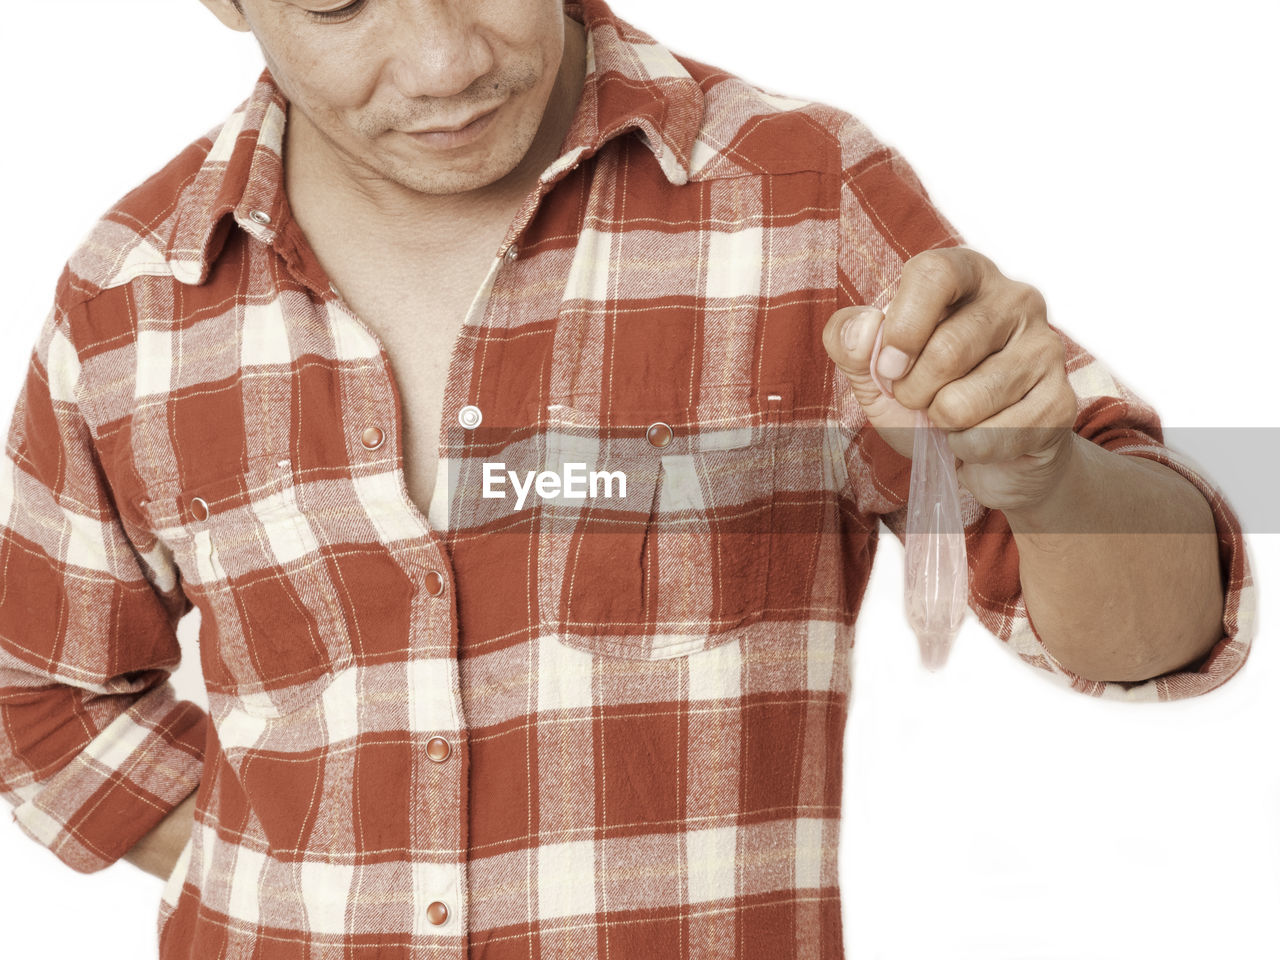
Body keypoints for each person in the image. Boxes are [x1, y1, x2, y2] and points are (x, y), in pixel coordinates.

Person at [0, 0, 1257, 957]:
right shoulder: (129, 297)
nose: (442, 62)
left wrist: (1042, 482)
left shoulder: (800, 201)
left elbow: (1162, 637)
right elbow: (36, 697)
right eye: (338, 2)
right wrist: (280, 866)